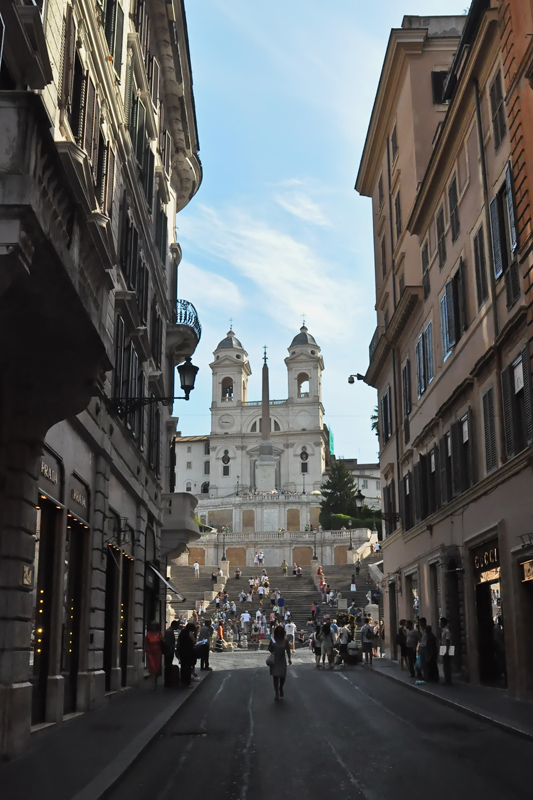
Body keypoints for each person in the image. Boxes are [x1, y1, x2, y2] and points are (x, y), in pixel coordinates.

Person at [268, 625, 292, 701]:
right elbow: (269, 649)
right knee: (275, 677)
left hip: (282, 659)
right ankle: (276, 694)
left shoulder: (285, 641)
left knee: (282, 676)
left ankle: (281, 687)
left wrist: (289, 659)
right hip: (275, 660)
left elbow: (288, 650)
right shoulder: (273, 640)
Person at [144, 621, 163, 689]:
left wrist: (161, 639)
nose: (153, 627)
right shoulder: (148, 634)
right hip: (150, 652)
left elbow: (163, 642)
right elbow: (145, 644)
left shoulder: (160, 633)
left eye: (154, 625)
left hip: (158, 652)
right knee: (152, 667)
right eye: (152, 625)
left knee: (157, 668)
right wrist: (144, 653)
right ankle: (153, 683)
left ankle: (155, 680)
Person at [177, 622, 197, 688]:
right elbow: (194, 641)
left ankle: (183, 682)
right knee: (188, 668)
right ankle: (188, 683)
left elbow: (178, 642)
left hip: (182, 652)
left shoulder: (182, 632)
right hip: (188, 652)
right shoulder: (189, 633)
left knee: (183, 667)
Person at [162, 620, 179, 687]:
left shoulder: (169, 631)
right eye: (177, 626)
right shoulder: (169, 632)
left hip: (169, 651)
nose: (177, 627)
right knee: (168, 666)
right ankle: (167, 681)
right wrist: (170, 650)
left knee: (168, 666)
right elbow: (168, 643)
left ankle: (168, 680)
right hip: (169, 651)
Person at [440, 617, 453, 685]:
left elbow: (448, 641)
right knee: (445, 664)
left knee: (447, 664)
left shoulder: (447, 631)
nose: (440, 623)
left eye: (441, 622)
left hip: (446, 648)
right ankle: (447, 679)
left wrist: (447, 651)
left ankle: (448, 680)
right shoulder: (443, 630)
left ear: (444, 623)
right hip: (444, 648)